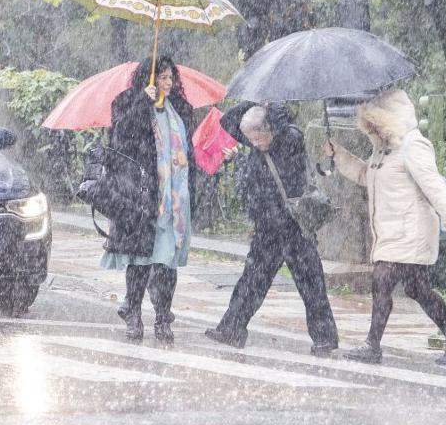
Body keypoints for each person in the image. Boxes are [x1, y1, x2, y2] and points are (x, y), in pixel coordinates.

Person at [324, 89, 446, 365]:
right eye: (371, 125)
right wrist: (339, 154)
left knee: (381, 280)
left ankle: (373, 345)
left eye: (378, 123)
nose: (374, 129)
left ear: (392, 120)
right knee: (418, 291)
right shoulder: (383, 151)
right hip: (390, 233)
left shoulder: (414, 146)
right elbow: (366, 176)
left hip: (410, 233)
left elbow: (433, 185)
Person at [205, 102, 338, 356]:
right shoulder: (258, 144)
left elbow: (286, 179)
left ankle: (324, 338)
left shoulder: (290, 138)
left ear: (271, 129)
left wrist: (271, 117)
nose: (254, 142)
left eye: (258, 137)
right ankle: (232, 329)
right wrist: (258, 103)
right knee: (252, 281)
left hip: (294, 225)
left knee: (311, 282)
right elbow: (230, 123)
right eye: (251, 138)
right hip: (267, 227)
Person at [100, 56, 196, 343]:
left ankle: (163, 318)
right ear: (149, 78)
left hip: (173, 199)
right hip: (141, 197)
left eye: (170, 78)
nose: (168, 83)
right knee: (140, 259)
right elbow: (120, 140)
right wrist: (142, 103)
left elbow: (186, 151)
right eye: (162, 77)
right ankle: (134, 313)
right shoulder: (127, 102)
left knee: (166, 263)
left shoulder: (179, 108)